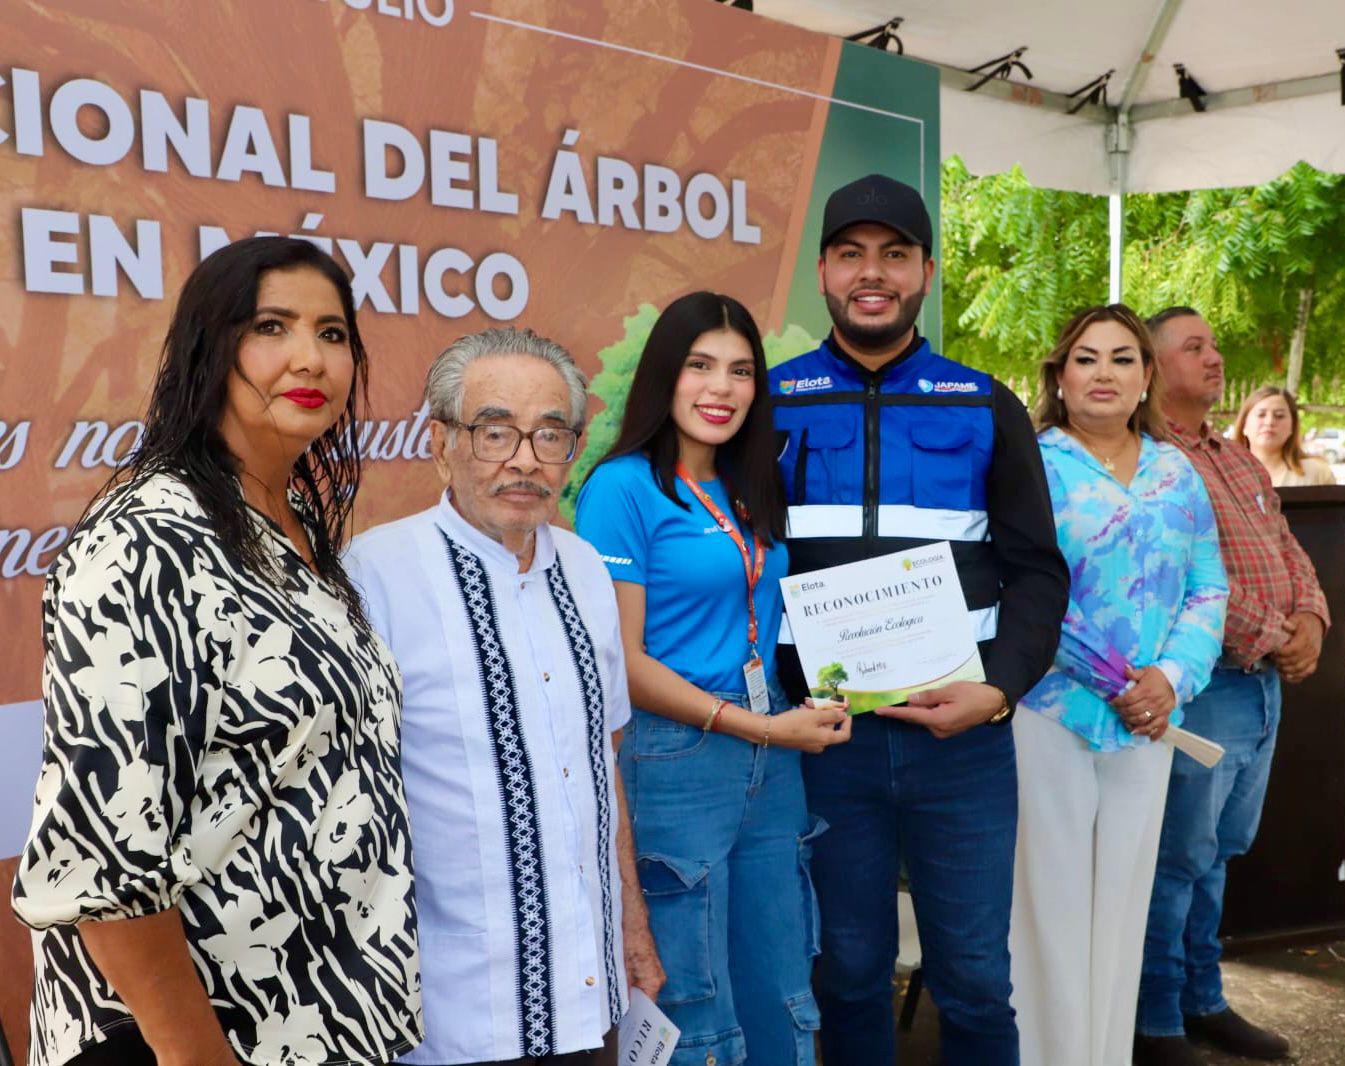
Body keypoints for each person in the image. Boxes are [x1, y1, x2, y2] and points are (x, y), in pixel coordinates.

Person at [10, 237, 422, 1066]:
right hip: (187, 1037)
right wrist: (197, 1055)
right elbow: (103, 861)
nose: (310, 357)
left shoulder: (286, 528)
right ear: (211, 347)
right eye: (272, 326)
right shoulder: (146, 540)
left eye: (333, 333)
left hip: (316, 1019)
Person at [769, 174, 1070, 1065]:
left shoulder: (983, 403)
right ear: (821, 270)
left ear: (926, 272)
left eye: (894, 255)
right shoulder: (768, 402)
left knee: (975, 977)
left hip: (961, 746)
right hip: (825, 743)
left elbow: (1037, 572)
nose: (874, 274)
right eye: (852, 254)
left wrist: (1000, 690)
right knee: (847, 972)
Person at [344, 327, 662, 1066]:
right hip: (449, 1013)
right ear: (441, 442)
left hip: (589, 999)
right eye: (494, 432)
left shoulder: (585, 569)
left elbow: (599, 763)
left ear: (574, 452)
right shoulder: (374, 574)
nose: (523, 459)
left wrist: (633, 925)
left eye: (549, 434)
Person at [575, 292, 852, 1066]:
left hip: (774, 754)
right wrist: (761, 725)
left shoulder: (745, 484)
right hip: (676, 756)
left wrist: (818, 701)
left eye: (738, 371)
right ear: (665, 376)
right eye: (699, 366)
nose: (720, 388)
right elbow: (621, 665)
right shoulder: (620, 488)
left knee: (782, 984)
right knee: (694, 997)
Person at [1010, 304, 1227, 1066]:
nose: (1103, 373)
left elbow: (1207, 588)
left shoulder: (1178, 474)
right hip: (1049, 712)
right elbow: (1017, 587)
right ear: (1059, 377)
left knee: (1123, 906)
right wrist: (1106, 679)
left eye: (1122, 359)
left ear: (1144, 380)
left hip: (1149, 724)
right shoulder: (1029, 465)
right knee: (1049, 910)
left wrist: (1166, 680)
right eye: (1086, 358)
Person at [1135, 307, 1330, 1066]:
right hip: (1203, 685)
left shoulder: (1235, 457)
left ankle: (1202, 1000)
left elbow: (1288, 548)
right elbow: (1181, 582)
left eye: (1214, 343)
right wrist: (1274, 636)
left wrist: (1310, 616)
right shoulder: (1150, 459)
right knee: (1176, 858)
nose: (1215, 358)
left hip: (1258, 690)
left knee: (1216, 852)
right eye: (1194, 347)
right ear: (1153, 367)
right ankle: (1154, 1022)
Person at [1232, 386, 1335, 486]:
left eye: (1279, 416)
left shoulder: (1316, 473)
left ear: (1292, 426)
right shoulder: (1224, 475)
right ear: (1244, 424)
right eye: (1261, 415)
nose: (1269, 422)